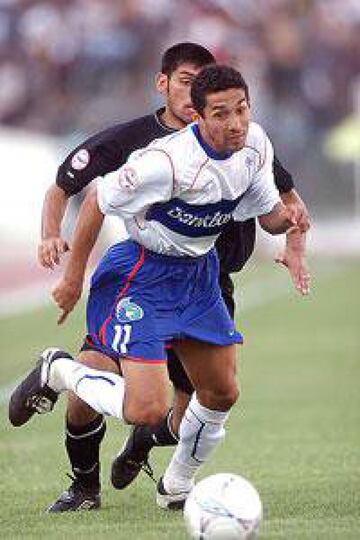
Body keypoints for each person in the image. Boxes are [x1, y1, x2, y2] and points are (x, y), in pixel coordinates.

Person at [9, 64, 309, 512]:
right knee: (146, 410)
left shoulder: (256, 145)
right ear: (200, 118)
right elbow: (95, 201)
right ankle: (59, 370)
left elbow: (264, 212)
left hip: (199, 274)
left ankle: (177, 486)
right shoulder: (165, 162)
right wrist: (73, 277)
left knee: (222, 391)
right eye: (222, 114)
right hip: (142, 275)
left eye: (242, 110)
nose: (236, 123)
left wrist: (288, 222)